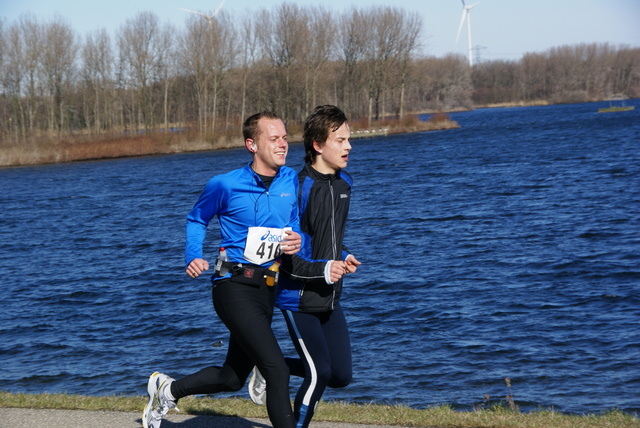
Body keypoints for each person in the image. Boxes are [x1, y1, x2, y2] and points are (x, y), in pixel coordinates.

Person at [142, 111, 302, 428]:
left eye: (285, 137)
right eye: (274, 139)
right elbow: (196, 219)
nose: (283, 144)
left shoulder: (290, 179)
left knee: (231, 378)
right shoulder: (225, 184)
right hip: (233, 286)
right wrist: (193, 255)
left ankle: (167, 390)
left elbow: (292, 221)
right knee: (277, 370)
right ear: (251, 145)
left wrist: (296, 239)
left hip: (268, 287)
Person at [249, 105, 361, 428]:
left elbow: (327, 241)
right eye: (340, 140)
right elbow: (285, 254)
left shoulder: (344, 185)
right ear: (317, 145)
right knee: (319, 373)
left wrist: (343, 257)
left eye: (348, 139)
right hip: (295, 295)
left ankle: (269, 367)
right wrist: (325, 269)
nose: (348, 146)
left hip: (329, 295)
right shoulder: (296, 188)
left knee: (340, 375)